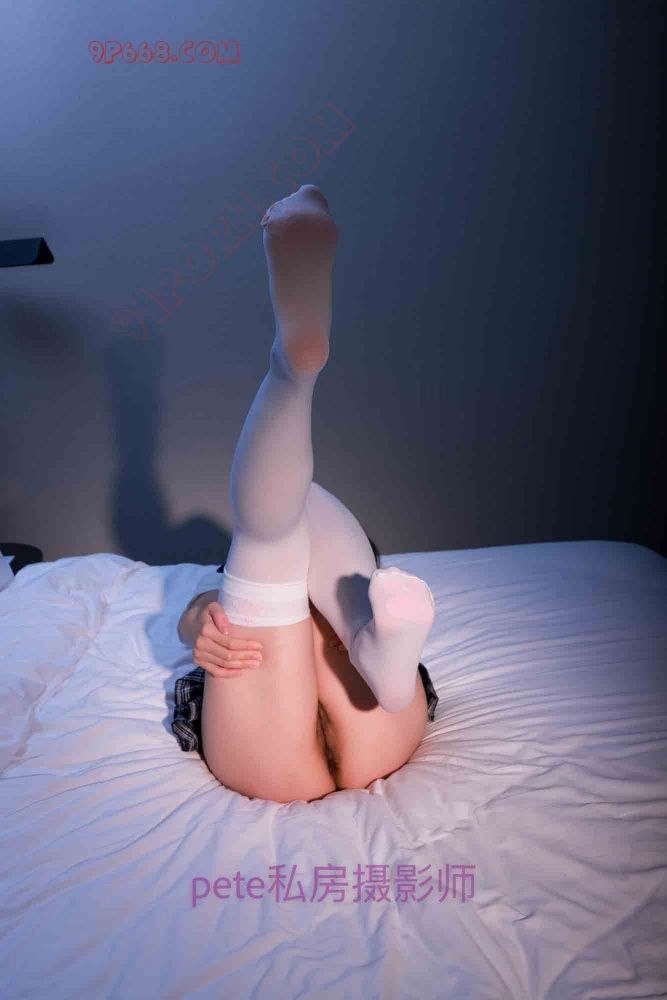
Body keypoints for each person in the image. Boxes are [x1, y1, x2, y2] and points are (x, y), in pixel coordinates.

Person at [173, 184, 438, 803]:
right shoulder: (343, 561)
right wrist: (199, 625)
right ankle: (379, 651)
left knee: (272, 530)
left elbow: (214, 596)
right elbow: (203, 605)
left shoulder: (271, 552)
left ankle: (291, 368)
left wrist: (198, 624)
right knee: (283, 519)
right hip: (381, 724)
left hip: (262, 747)